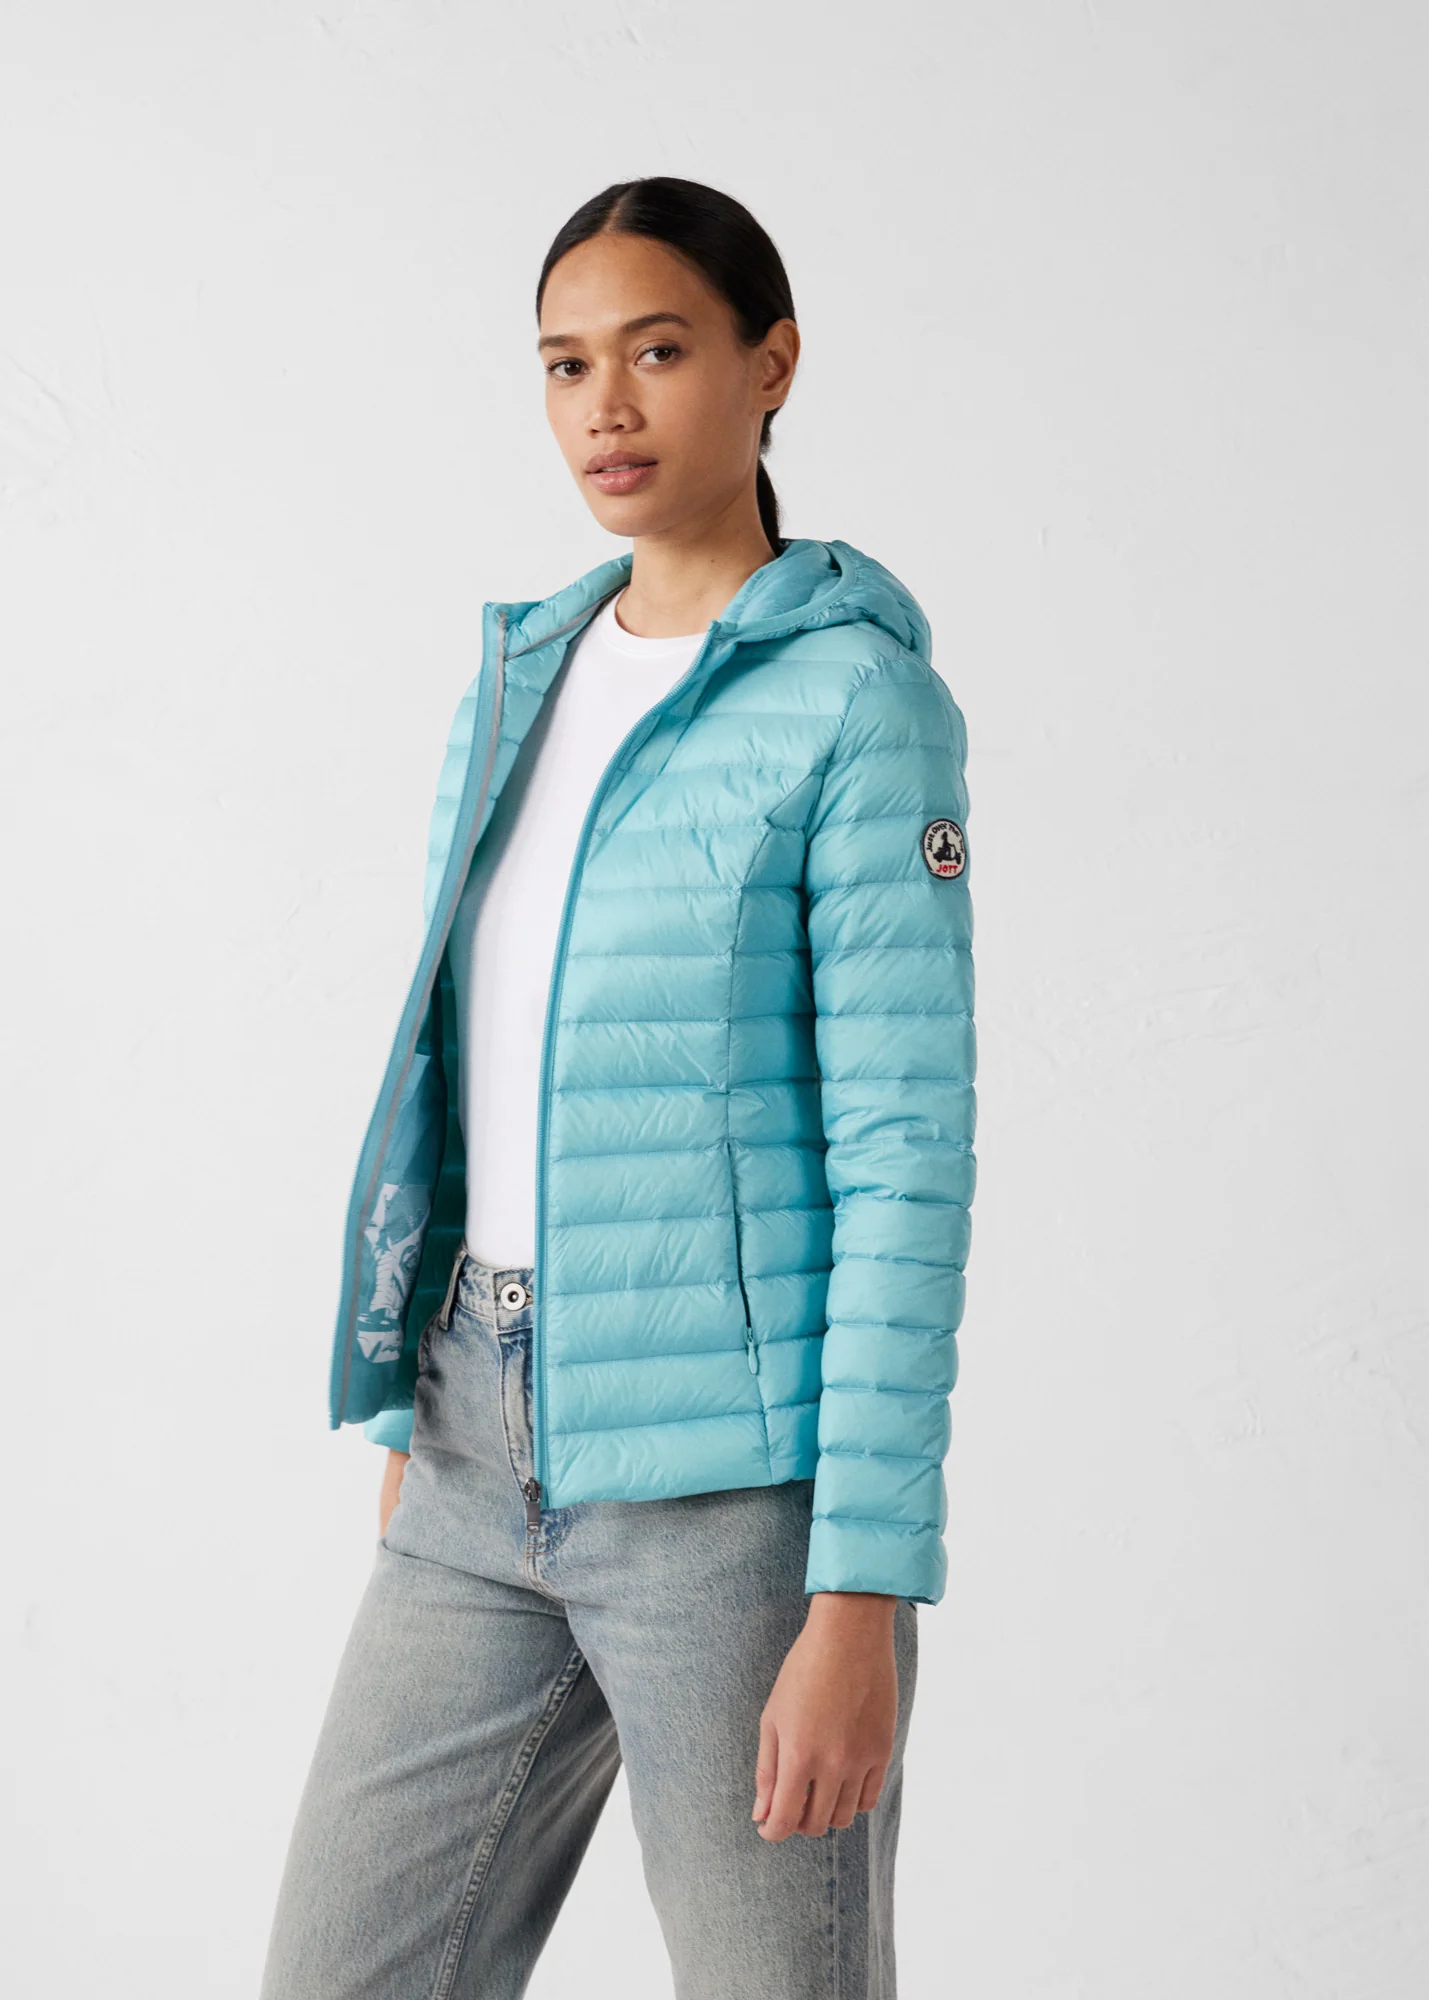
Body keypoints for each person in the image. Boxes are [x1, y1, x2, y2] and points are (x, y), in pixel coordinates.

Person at [259, 175, 977, 2000]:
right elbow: (461, 1062)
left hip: (733, 1514)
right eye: (566, 364)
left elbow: (907, 1160)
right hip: (473, 1446)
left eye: (658, 351)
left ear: (771, 365)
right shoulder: (519, 681)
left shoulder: (855, 703)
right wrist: (412, 1386)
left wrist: (862, 1590)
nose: (606, 406)